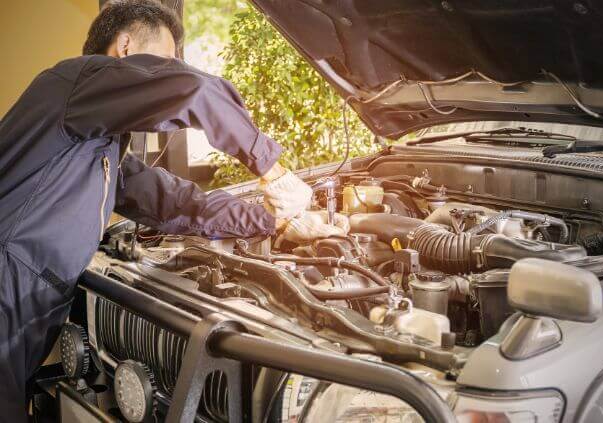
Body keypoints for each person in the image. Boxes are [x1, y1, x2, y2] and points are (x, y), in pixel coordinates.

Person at [0, 0, 347, 420]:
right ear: (125, 47)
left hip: (28, 309)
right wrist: (273, 170)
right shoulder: (71, 81)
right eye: (161, 64)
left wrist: (275, 220)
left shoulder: (97, 145)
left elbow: (174, 203)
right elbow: (195, 90)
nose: (162, 77)